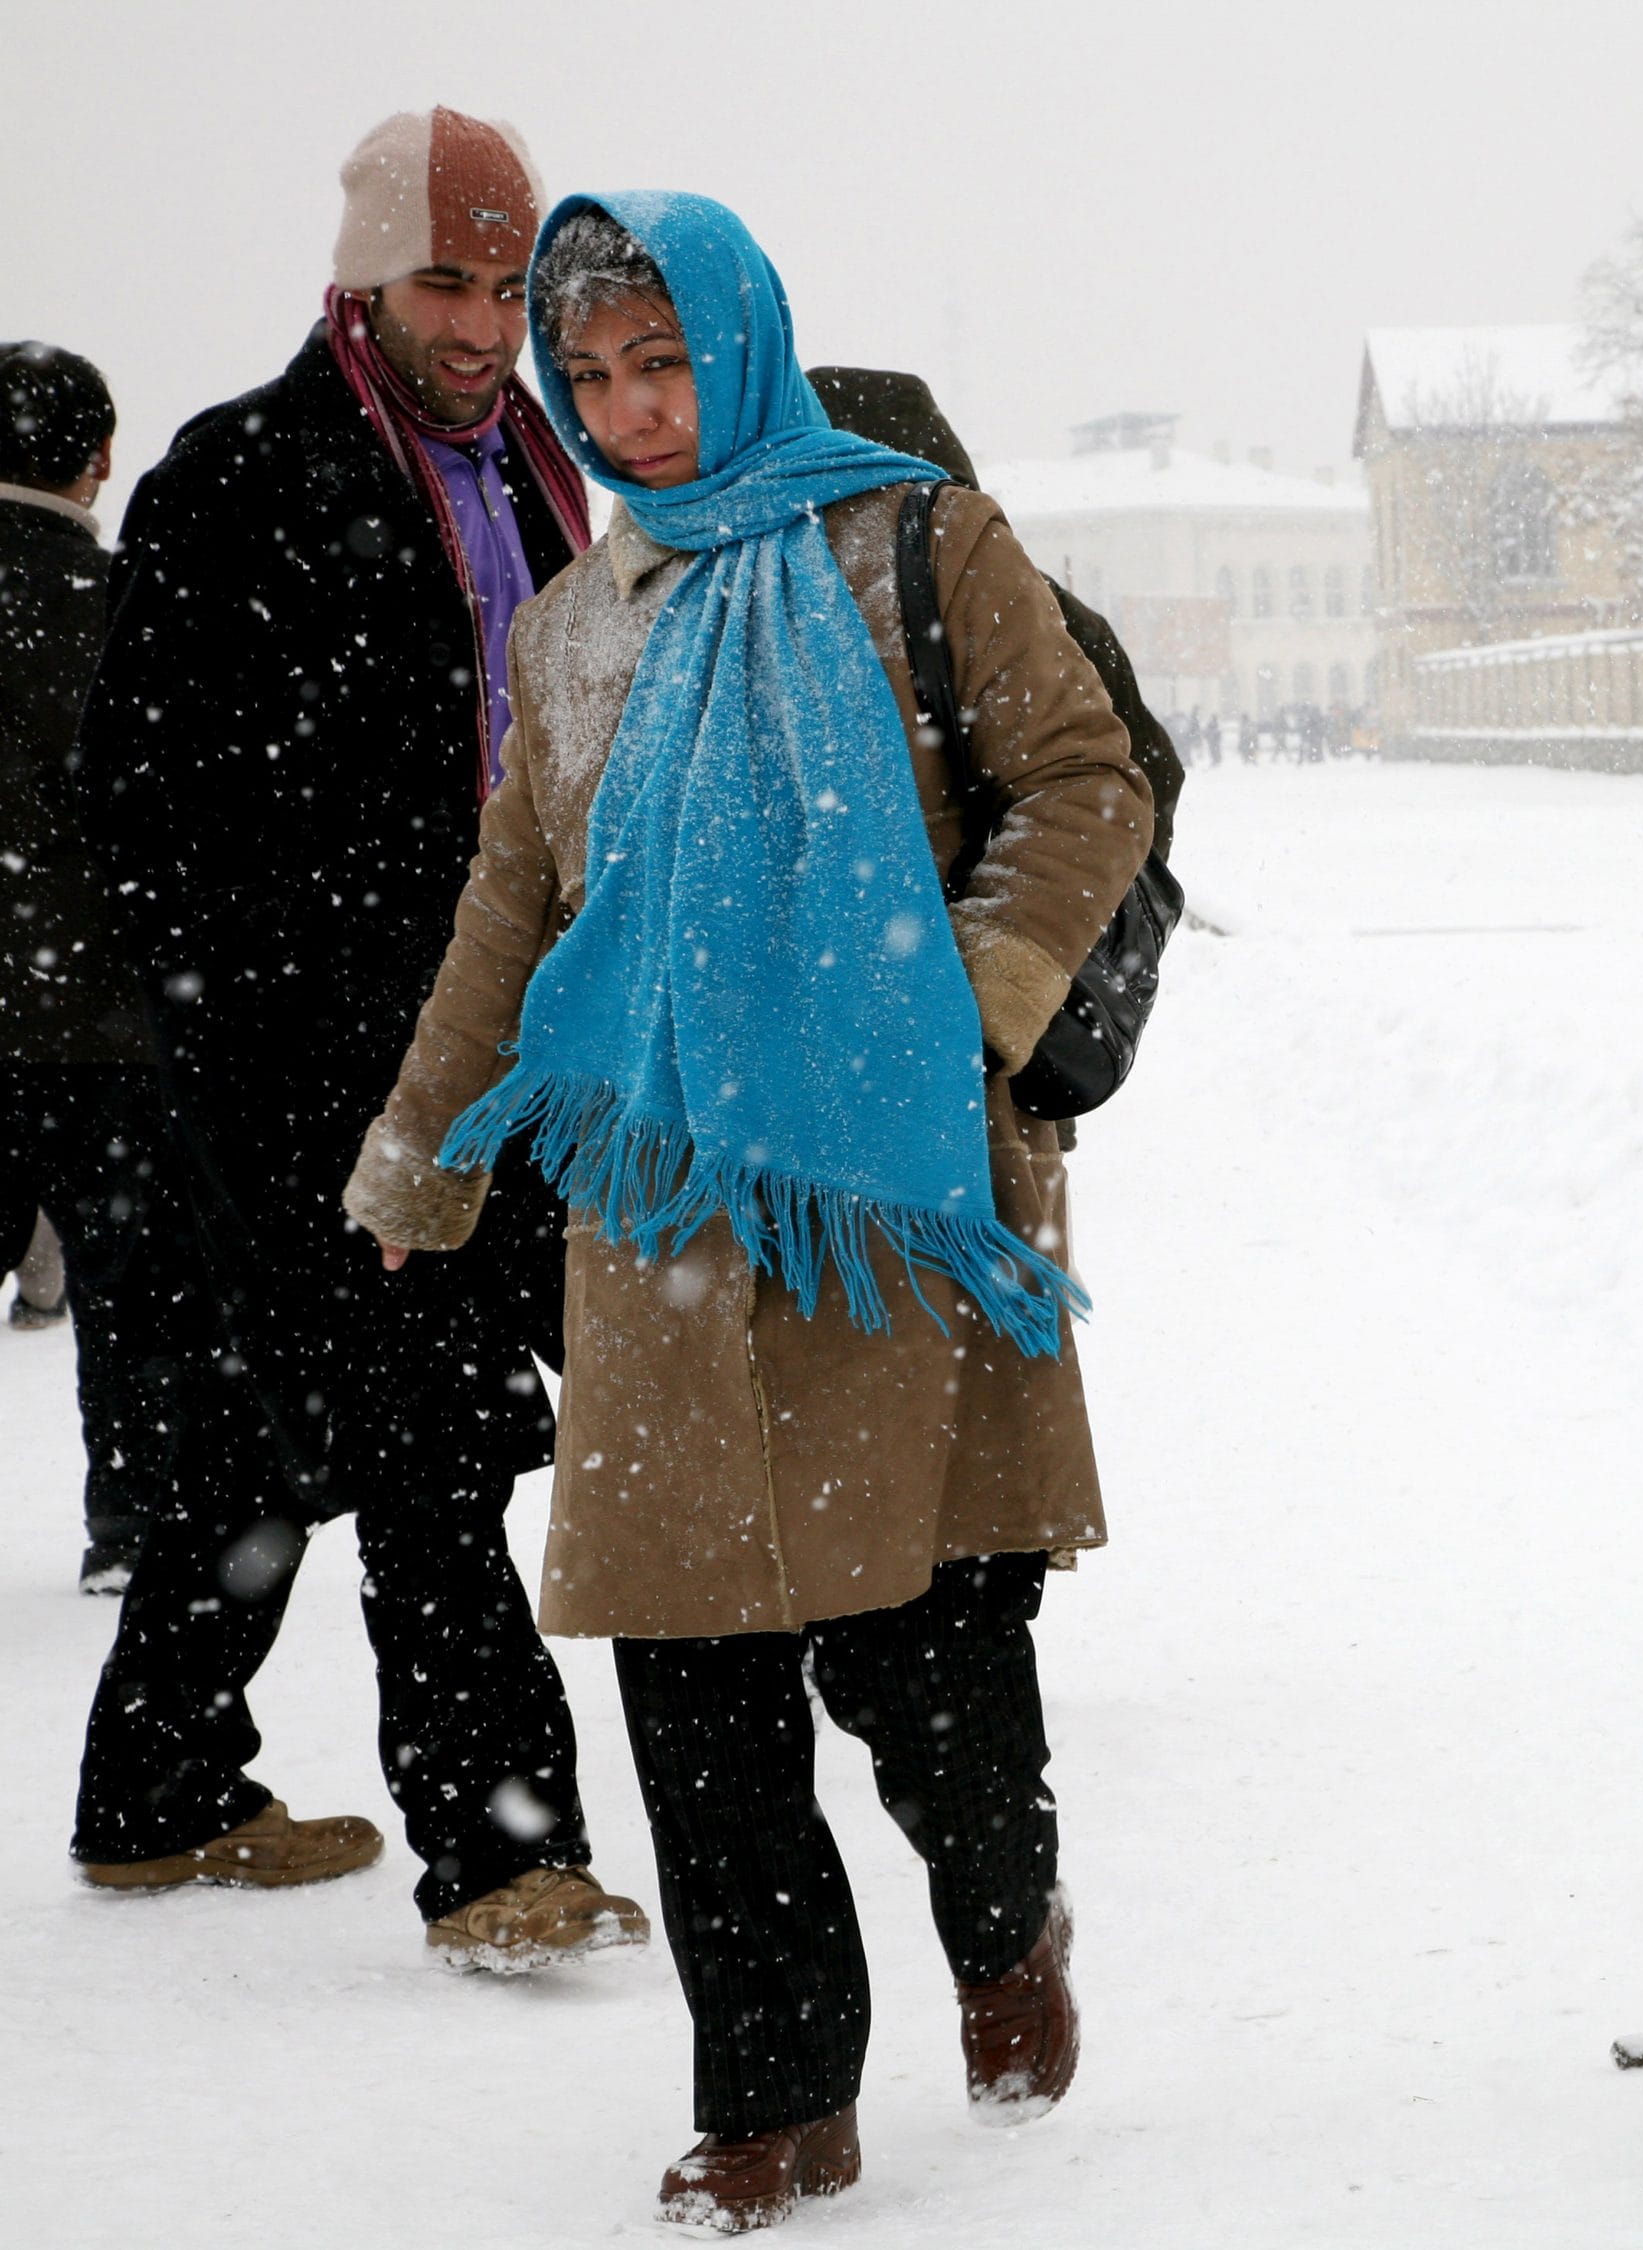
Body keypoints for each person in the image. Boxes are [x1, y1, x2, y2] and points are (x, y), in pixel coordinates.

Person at [341, 192, 1150, 2232]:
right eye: (589, 376)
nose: (629, 409)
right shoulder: (578, 618)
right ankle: (779, 2093)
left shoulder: (916, 545)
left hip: (888, 1202)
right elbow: (518, 902)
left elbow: (1084, 783)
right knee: (694, 1682)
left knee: (928, 1657)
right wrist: (425, 1149)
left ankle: (1004, 1920)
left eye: (660, 363)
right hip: (667, 1221)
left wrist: (953, 1003)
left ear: (742, 341)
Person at [69, 112, 646, 1969]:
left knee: (253, 1445)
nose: (482, 326)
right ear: (362, 280)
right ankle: (502, 1854)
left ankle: (155, 1795)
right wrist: (251, 1075)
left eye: (504, 284)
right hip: (328, 1076)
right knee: (435, 1443)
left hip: (531, 1048)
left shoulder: (552, 478)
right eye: (444, 284)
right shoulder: (238, 476)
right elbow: (141, 824)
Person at [0, 340, 183, 1589]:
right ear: (101, 457)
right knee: (128, 1300)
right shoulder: (126, 612)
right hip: (101, 1030)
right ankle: (130, 1526)